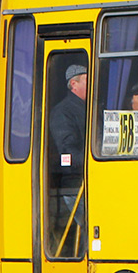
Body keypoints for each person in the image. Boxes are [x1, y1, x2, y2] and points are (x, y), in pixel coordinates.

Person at [48, 63, 87, 255]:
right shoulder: (63, 113)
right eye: (88, 80)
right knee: (93, 228)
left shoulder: (91, 109)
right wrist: (90, 163)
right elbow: (67, 152)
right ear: (74, 83)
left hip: (87, 184)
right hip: (74, 186)